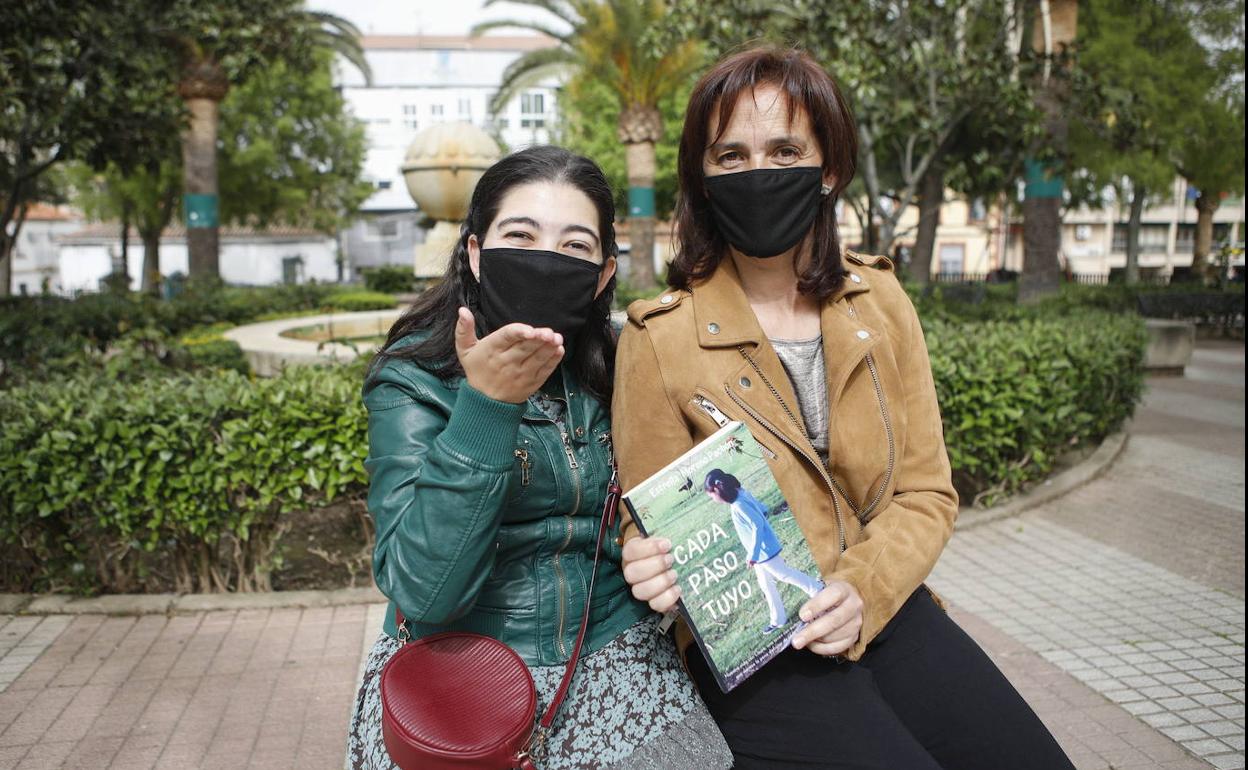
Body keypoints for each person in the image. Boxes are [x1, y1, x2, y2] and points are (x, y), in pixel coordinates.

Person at [613, 48, 1077, 769]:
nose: (757, 171)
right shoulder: (659, 337)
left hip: (881, 602)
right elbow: (651, 520)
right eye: (730, 155)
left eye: (784, 150)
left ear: (828, 168)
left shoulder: (880, 303)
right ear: (702, 182)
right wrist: (646, 561)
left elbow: (925, 492)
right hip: (759, 639)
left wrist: (862, 591)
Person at [347, 146, 731, 770]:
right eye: (520, 235)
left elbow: (688, 500)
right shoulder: (414, 379)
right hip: (464, 689)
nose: (546, 260)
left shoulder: (626, 363)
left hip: (620, 661)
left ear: (604, 273)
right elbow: (424, 591)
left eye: (574, 247)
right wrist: (487, 409)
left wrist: (667, 556)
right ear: (475, 251)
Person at [702, 468, 822, 632]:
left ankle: (816, 588)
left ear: (717, 489)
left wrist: (753, 555)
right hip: (760, 553)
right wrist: (762, 509)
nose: (713, 500)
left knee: (783, 574)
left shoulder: (738, 505)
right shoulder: (741, 494)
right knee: (766, 584)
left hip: (763, 551)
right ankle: (778, 619)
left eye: (711, 496)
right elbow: (762, 509)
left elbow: (757, 525)